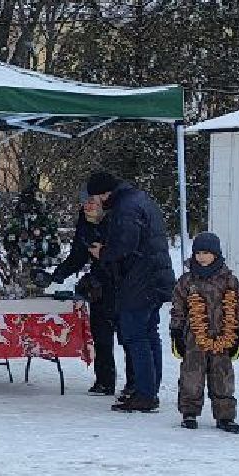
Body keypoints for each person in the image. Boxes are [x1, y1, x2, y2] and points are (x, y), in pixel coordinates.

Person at [83, 170, 176, 413]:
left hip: (139, 280)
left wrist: (102, 253)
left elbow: (126, 245)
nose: (97, 202)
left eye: (97, 196)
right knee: (149, 333)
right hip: (156, 277)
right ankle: (148, 389)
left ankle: (144, 393)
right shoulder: (140, 199)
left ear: (105, 192)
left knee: (136, 336)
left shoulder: (125, 208)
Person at [47, 194, 132, 397]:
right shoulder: (85, 222)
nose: (87, 207)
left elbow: (125, 251)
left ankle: (134, 384)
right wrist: (58, 274)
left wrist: (105, 254)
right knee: (101, 335)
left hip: (124, 285)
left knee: (128, 338)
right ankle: (105, 380)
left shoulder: (117, 219)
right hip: (100, 286)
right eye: (84, 203)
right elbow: (78, 254)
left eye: (92, 203)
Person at [169, 231, 239, 433]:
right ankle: (189, 413)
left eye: (206, 253)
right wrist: (176, 331)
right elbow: (178, 307)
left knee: (223, 377)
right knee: (191, 376)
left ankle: (225, 416)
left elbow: (238, 307)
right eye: (198, 253)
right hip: (193, 339)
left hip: (223, 337)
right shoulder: (186, 281)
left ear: (216, 255)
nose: (201, 257)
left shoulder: (229, 281)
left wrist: (238, 333)